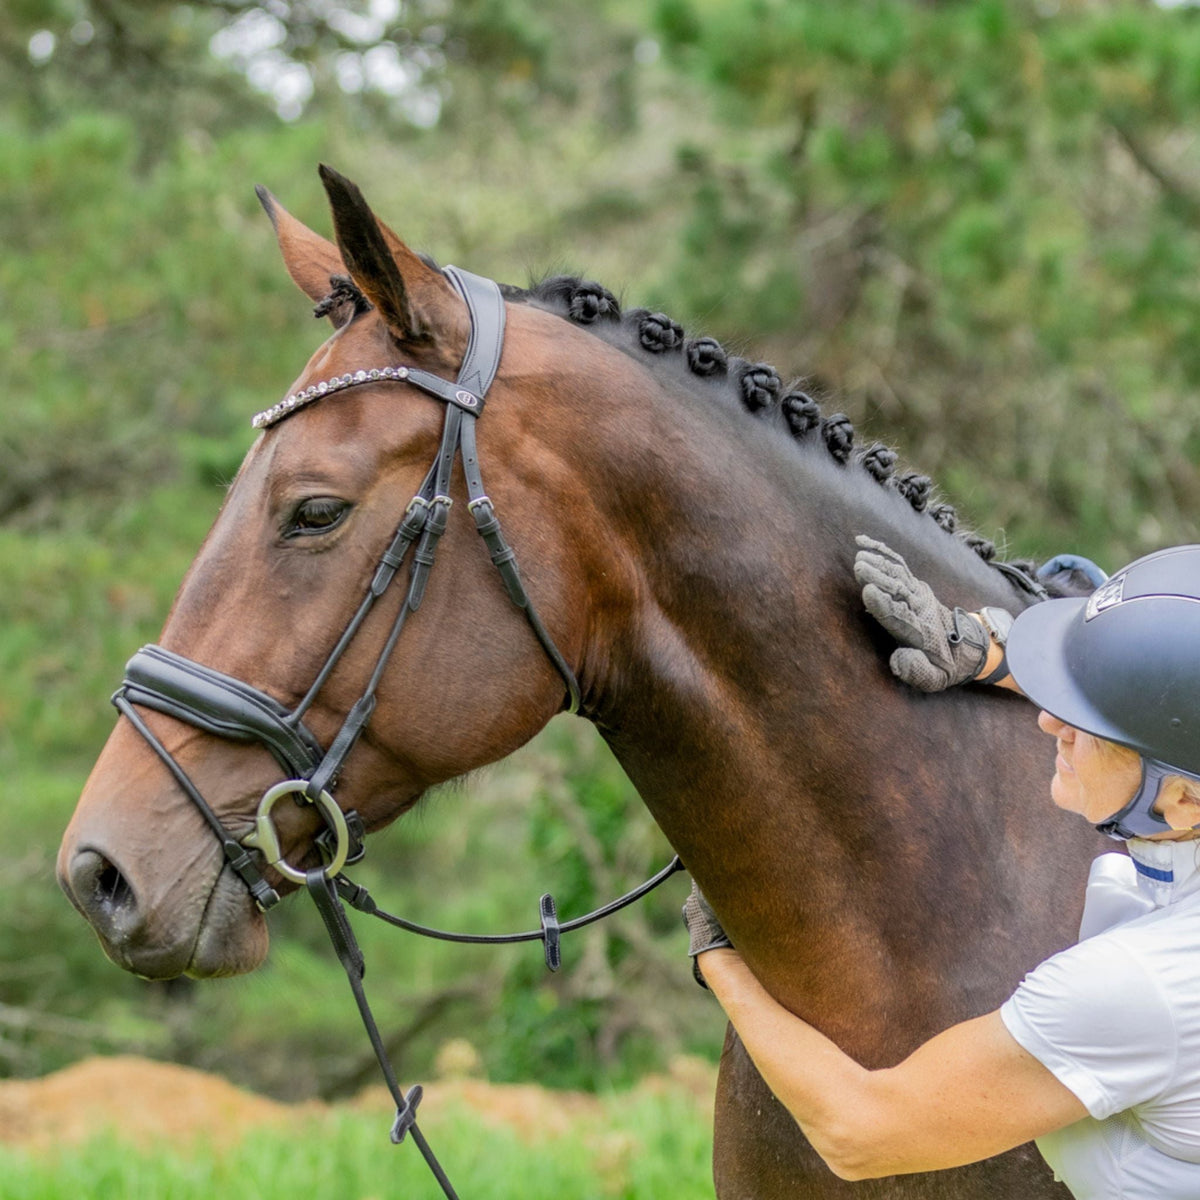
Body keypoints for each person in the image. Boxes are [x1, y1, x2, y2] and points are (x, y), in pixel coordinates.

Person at [683, 536, 1200, 1196]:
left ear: (1182, 799)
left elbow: (859, 1131)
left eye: (1087, 724)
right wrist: (988, 650)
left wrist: (718, 955)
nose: (1049, 723)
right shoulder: (1182, 819)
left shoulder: (1130, 989)